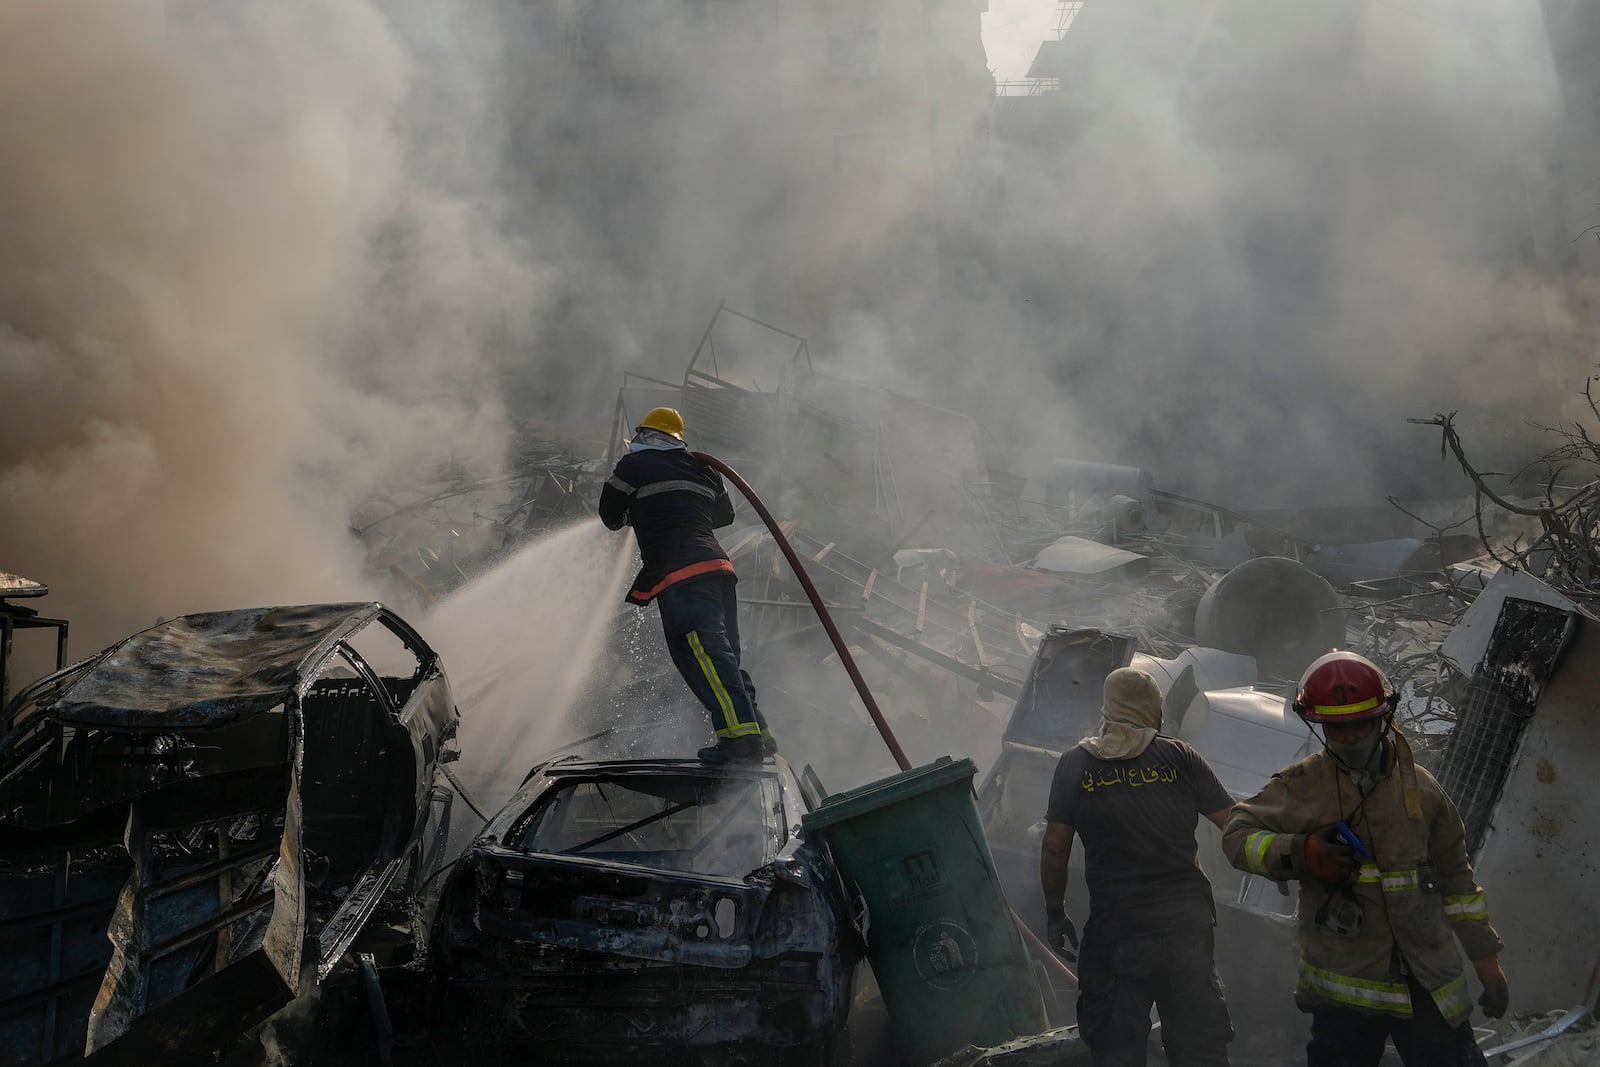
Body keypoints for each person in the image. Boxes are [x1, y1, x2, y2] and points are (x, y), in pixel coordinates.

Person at [1222, 650, 1509, 1067]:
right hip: (1346, 993)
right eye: (1339, 730)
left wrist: (1485, 958)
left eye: (1362, 724)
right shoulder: (1303, 786)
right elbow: (1236, 835)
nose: (1353, 737)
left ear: (1383, 718)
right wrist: (1301, 853)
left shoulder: (1421, 791)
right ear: (1319, 726)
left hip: (1425, 983)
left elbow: (1457, 882)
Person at [1040, 667, 1236, 1067]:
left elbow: (1055, 848)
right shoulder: (1180, 756)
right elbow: (1234, 823)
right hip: (1186, 926)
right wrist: (1281, 856)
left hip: (1118, 933)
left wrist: (1055, 912)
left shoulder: (1076, 765)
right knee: (1200, 1049)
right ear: (1154, 708)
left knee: (1116, 1050)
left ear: (1107, 708)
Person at [598, 407, 774, 763]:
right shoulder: (702, 468)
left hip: (683, 574)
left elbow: (610, 515)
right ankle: (760, 733)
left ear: (645, 435)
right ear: (677, 439)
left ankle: (740, 741)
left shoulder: (633, 467)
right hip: (719, 570)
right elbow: (724, 515)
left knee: (704, 654)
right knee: (722, 656)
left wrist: (645, 512)